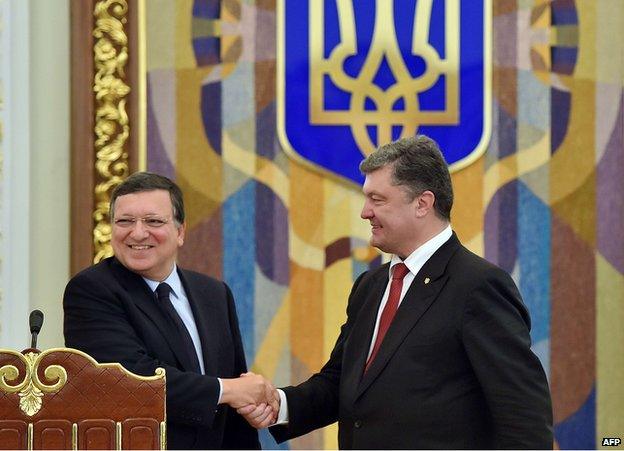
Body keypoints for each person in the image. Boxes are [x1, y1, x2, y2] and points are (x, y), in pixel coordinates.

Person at [239, 136, 553, 449]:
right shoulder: (370, 287)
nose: (364, 212)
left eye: (377, 200)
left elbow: (523, 416)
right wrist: (278, 404)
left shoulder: (478, 286)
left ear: (423, 204)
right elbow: (341, 385)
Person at [64, 172, 277, 449]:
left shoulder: (214, 294)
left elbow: (233, 415)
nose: (138, 232)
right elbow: (128, 378)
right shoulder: (91, 290)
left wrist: (246, 400)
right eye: (125, 221)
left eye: (153, 221)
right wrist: (228, 390)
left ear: (180, 232)